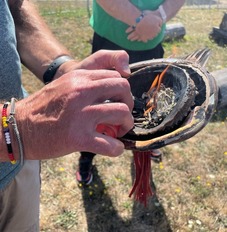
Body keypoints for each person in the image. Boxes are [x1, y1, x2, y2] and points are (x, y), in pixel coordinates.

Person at [0, 1, 134, 231]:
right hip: (18, 140)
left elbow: (12, 6)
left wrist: (62, 69)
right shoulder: (21, 132)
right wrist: (18, 127)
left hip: (16, 162)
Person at [76, 0, 186, 185]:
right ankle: (87, 156)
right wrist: (139, 20)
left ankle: (144, 145)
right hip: (110, 40)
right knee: (98, 106)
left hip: (152, 42)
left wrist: (158, 17)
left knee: (148, 104)